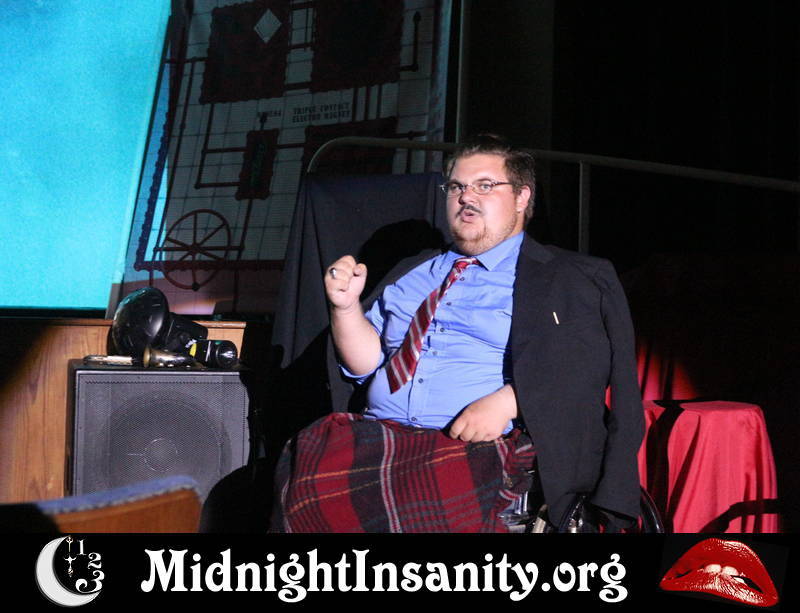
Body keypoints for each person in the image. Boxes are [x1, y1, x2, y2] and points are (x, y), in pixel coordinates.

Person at [275, 134, 643, 532]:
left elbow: (585, 366)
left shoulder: (566, 276)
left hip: (473, 450)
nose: (466, 197)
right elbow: (366, 364)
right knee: (303, 474)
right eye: (456, 187)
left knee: (418, 516)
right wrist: (346, 307)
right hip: (378, 436)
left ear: (521, 197)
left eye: (484, 185)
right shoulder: (412, 270)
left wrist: (511, 401)